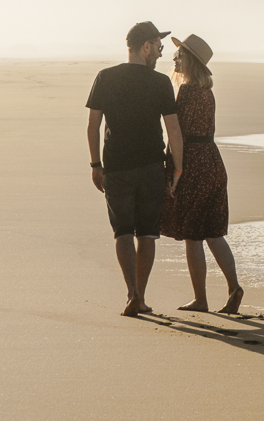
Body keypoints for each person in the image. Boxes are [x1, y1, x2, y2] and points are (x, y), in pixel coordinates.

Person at [86, 21, 184, 317]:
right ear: (145, 47)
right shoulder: (159, 83)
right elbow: (174, 131)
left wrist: (95, 165)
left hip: (115, 166)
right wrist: (177, 170)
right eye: (158, 47)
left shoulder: (106, 77)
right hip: (151, 166)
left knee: (123, 231)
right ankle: (139, 296)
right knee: (148, 234)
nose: (160, 53)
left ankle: (131, 294)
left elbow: (93, 126)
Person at [160, 34, 243, 314]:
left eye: (180, 54)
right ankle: (233, 287)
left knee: (192, 235)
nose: (175, 58)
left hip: (193, 163)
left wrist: (173, 171)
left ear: (190, 61)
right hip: (213, 161)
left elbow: (176, 135)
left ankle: (200, 299)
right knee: (213, 233)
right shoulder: (207, 92)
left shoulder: (186, 92)